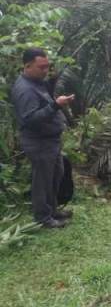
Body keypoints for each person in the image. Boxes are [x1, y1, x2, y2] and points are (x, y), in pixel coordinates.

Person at [11, 48, 74, 228]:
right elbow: (30, 119)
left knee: (55, 175)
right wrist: (55, 105)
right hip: (38, 142)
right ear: (27, 65)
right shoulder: (25, 90)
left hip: (49, 141)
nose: (45, 70)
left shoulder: (36, 81)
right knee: (43, 181)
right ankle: (43, 218)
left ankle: (52, 210)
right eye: (41, 67)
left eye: (47, 66)